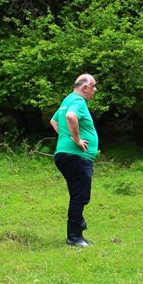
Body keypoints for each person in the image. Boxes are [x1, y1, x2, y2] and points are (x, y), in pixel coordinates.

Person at [50, 74, 98, 247]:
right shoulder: (78, 101)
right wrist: (76, 140)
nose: (95, 90)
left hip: (65, 154)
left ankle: (78, 227)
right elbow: (71, 117)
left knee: (77, 195)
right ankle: (74, 237)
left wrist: (65, 137)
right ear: (85, 87)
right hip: (76, 156)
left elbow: (54, 121)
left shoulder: (67, 100)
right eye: (93, 86)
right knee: (80, 196)